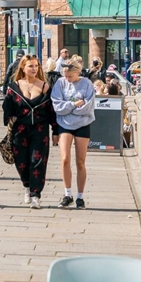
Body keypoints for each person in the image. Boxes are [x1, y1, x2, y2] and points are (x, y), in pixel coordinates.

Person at [2, 54, 58, 210]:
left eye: (36, 66)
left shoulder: (45, 86)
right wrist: (8, 121)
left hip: (40, 130)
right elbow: (7, 108)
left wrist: (55, 131)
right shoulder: (14, 86)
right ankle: (26, 185)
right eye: (30, 66)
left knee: (38, 161)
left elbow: (51, 111)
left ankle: (36, 195)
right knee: (22, 162)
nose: (34, 69)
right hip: (19, 130)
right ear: (23, 68)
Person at [51, 55, 96, 209]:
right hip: (64, 125)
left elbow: (88, 107)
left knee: (80, 162)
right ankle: (67, 193)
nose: (67, 78)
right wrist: (74, 104)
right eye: (65, 76)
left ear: (77, 72)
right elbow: (57, 106)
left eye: (70, 76)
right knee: (64, 159)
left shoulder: (87, 84)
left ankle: (80, 196)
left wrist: (68, 108)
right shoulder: (60, 83)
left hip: (83, 124)